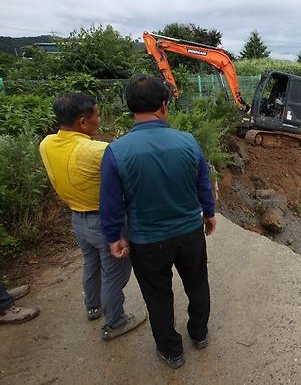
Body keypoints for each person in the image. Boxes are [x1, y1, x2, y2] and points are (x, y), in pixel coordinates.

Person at [100, 74, 216, 369]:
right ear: (164, 105)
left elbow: (112, 202)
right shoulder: (188, 142)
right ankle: (199, 334)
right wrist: (209, 213)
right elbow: (203, 183)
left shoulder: (116, 151)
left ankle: (171, 351)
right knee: (197, 283)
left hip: (147, 241)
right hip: (190, 233)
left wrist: (114, 236)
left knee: (158, 296)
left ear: (130, 107)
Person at [39, 92, 145, 340]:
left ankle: (93, 306)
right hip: (106, 222)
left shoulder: (46, 143)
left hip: (77, 219)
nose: (100, 120)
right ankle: (115, 322)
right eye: (97, 116)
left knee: (91, 264)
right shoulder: (97, 150)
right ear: (83, 122)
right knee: (114, 274)